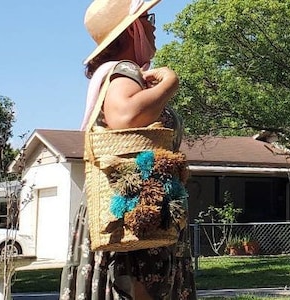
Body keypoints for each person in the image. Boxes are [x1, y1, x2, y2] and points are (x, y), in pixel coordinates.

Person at [60, 0, 197, 299]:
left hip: (130, 213)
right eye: (148, 18)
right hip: (136, 220)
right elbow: (126, 115)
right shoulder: (125, 71)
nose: (154, 26)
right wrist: (170, 83)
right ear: (134, 27)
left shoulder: (117, 75)